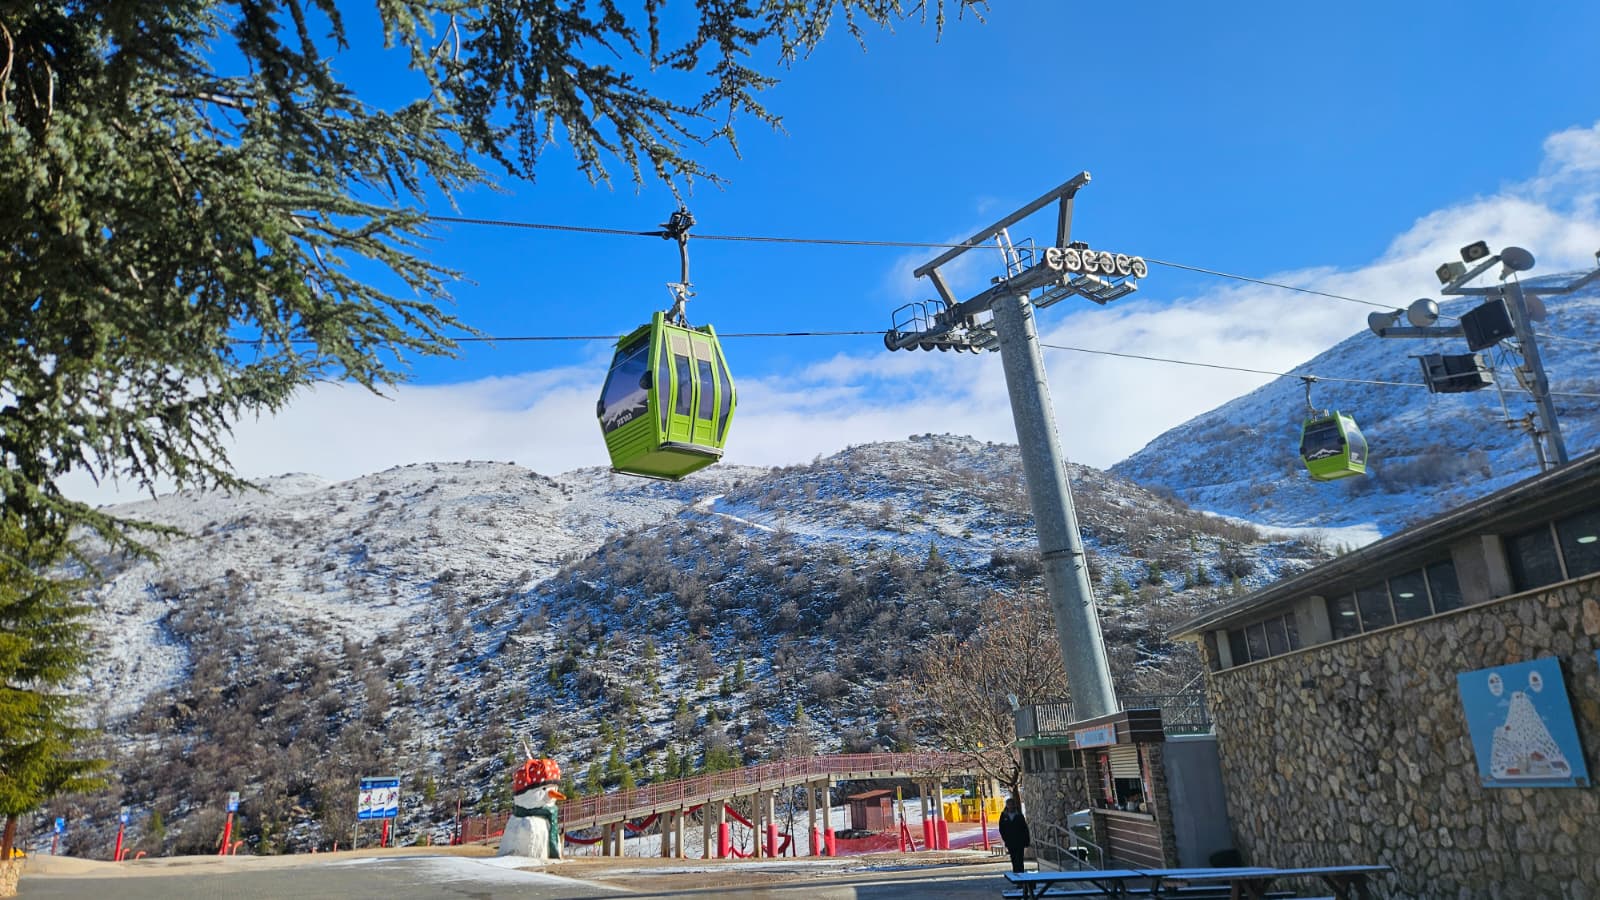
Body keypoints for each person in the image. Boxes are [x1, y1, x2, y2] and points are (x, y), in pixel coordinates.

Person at [998, 796, 1031, 875]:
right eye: (1009, 805)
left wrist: (1026, 841)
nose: (1010, 806)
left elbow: (1025, 828)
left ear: (1014, 805)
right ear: (1007, 806)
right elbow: (1001, 828)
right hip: (1010, 841)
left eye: (1012, 804)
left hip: (1020, 841)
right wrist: (1005, 839)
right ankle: (1016, 874)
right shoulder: (1004, 816)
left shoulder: (1019, 815)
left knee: (1020, 859)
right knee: (1014, 858)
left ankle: (1021, 874)